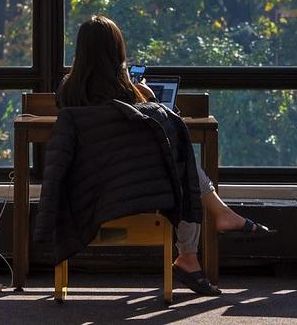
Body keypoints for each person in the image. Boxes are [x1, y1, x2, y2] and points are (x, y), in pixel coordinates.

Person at [56, 15, 274, 296]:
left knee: (182, 167)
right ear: (117, 51)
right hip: (129, 191)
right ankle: (193, 251)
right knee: (181, 167)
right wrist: (151, 100)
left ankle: (215, 225)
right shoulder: (129, 94)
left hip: (84, 190)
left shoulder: (66, 92)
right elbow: (162, 132)